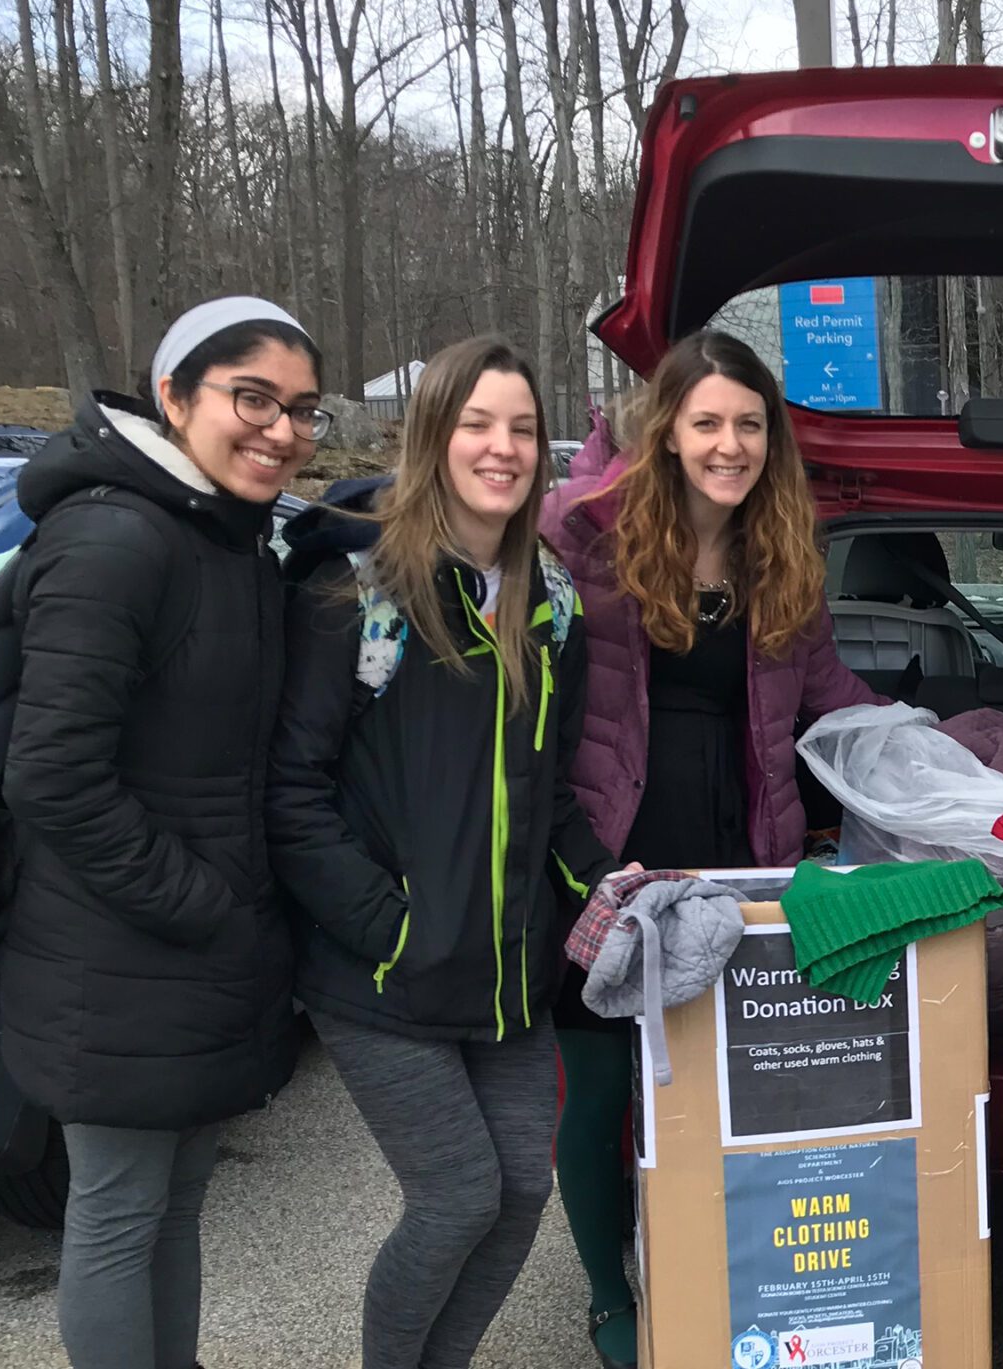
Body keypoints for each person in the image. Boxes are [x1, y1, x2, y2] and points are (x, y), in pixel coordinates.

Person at [269, 336, 621, 1369]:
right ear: (433, 435)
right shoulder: (360, 589)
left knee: (519, 1190)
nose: (501, 448)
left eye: (519, 427)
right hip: (381, 968)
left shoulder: (549, 603)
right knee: (456, 1192)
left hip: (505, 971)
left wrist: (610, 884)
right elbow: (290, 794)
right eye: (476, 424)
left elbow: (549, 796)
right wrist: (393, 927)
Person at [544, 329, 884, 1368]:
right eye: (707, 422)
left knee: (720, 1087)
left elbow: (837, 703)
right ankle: (611, 1295)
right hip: (610, 861)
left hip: (746, 863)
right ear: (665, 431)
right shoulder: (585, 541)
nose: (729, 444)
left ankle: (713, 1266)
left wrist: (949, 766)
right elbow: (534, 707)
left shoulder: (778, 555)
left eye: (748, 424)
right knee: (602, 1090)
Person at [0, 297, 319, 1369]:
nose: (279, 430)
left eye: (301, 410)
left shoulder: (223, 538)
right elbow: (51, 773)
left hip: (195, 954)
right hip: (120, 954)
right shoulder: (115, 538)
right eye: (252, 398)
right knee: (123, 1208)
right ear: (174, 395)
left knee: (176, 1204)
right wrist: (200, 904)